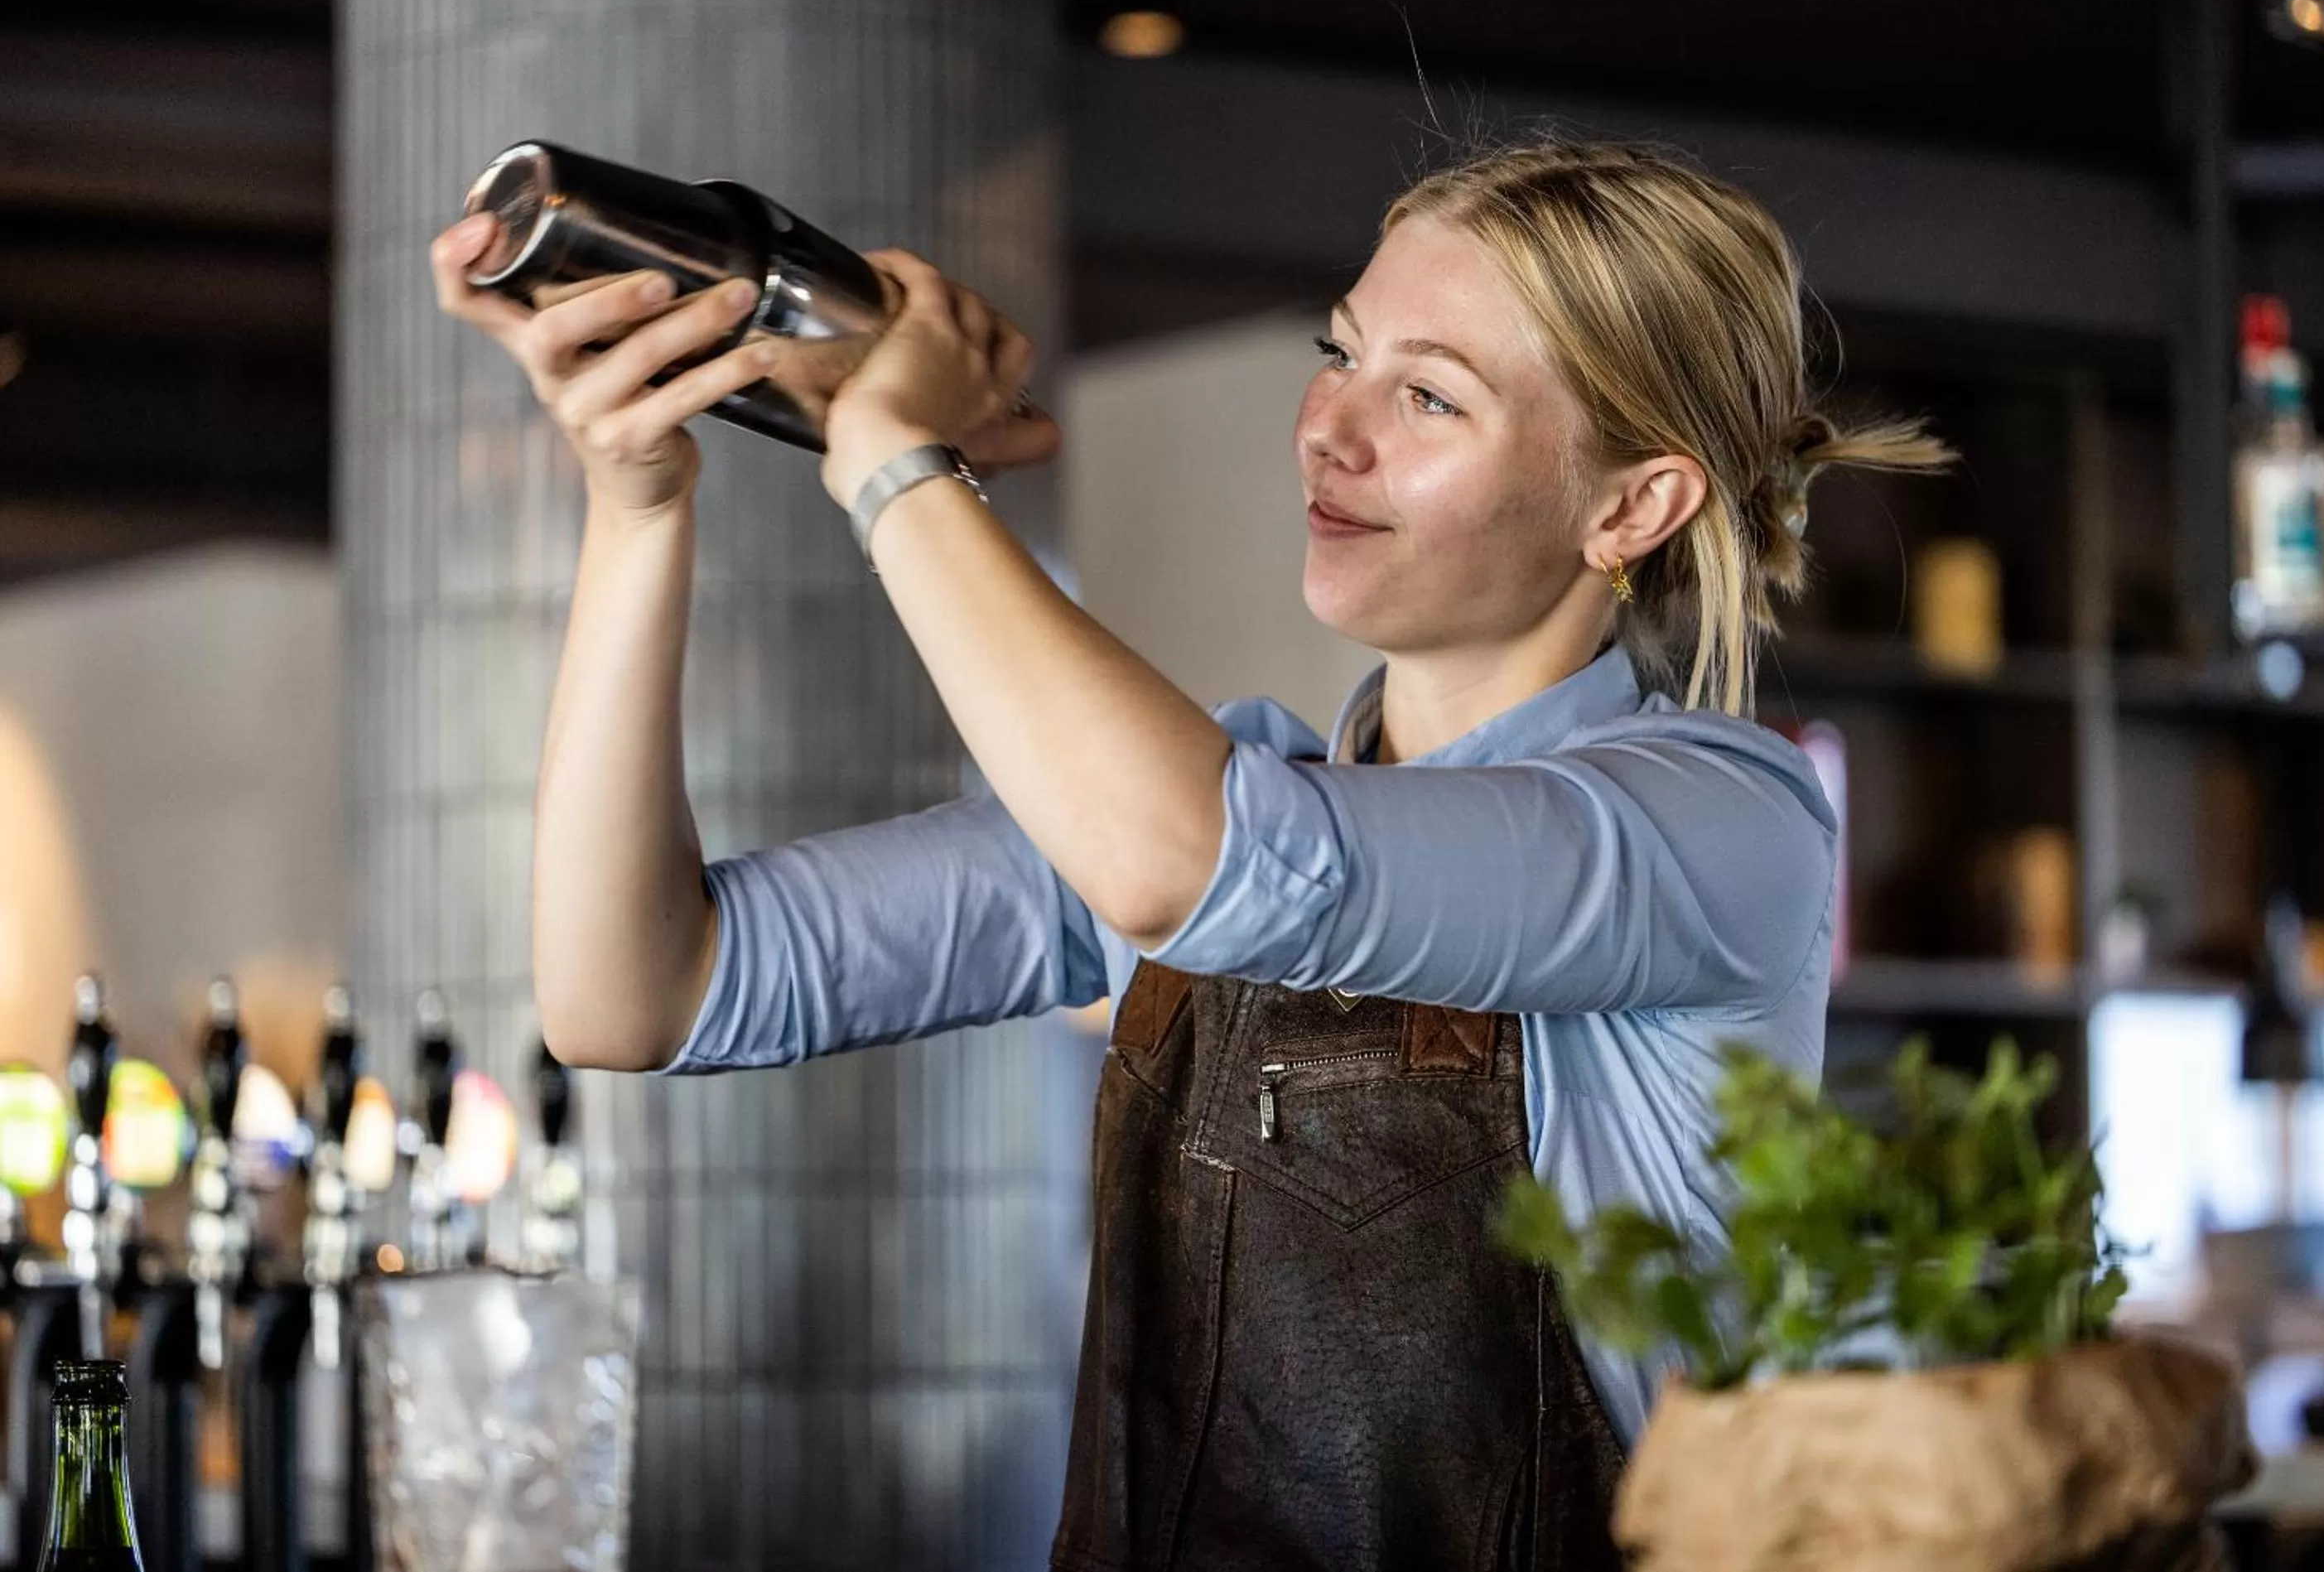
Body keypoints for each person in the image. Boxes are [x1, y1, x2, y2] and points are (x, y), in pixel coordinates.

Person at [432, 137, 1953, 1570]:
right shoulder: (1211, 799)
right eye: (1340, 353)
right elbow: (637, 991)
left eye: (1430, 398)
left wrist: (893, 457)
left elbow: (1200, 866)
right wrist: (639, 504)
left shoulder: (1715, 822)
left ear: (1631, 504)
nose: (1330, 430)